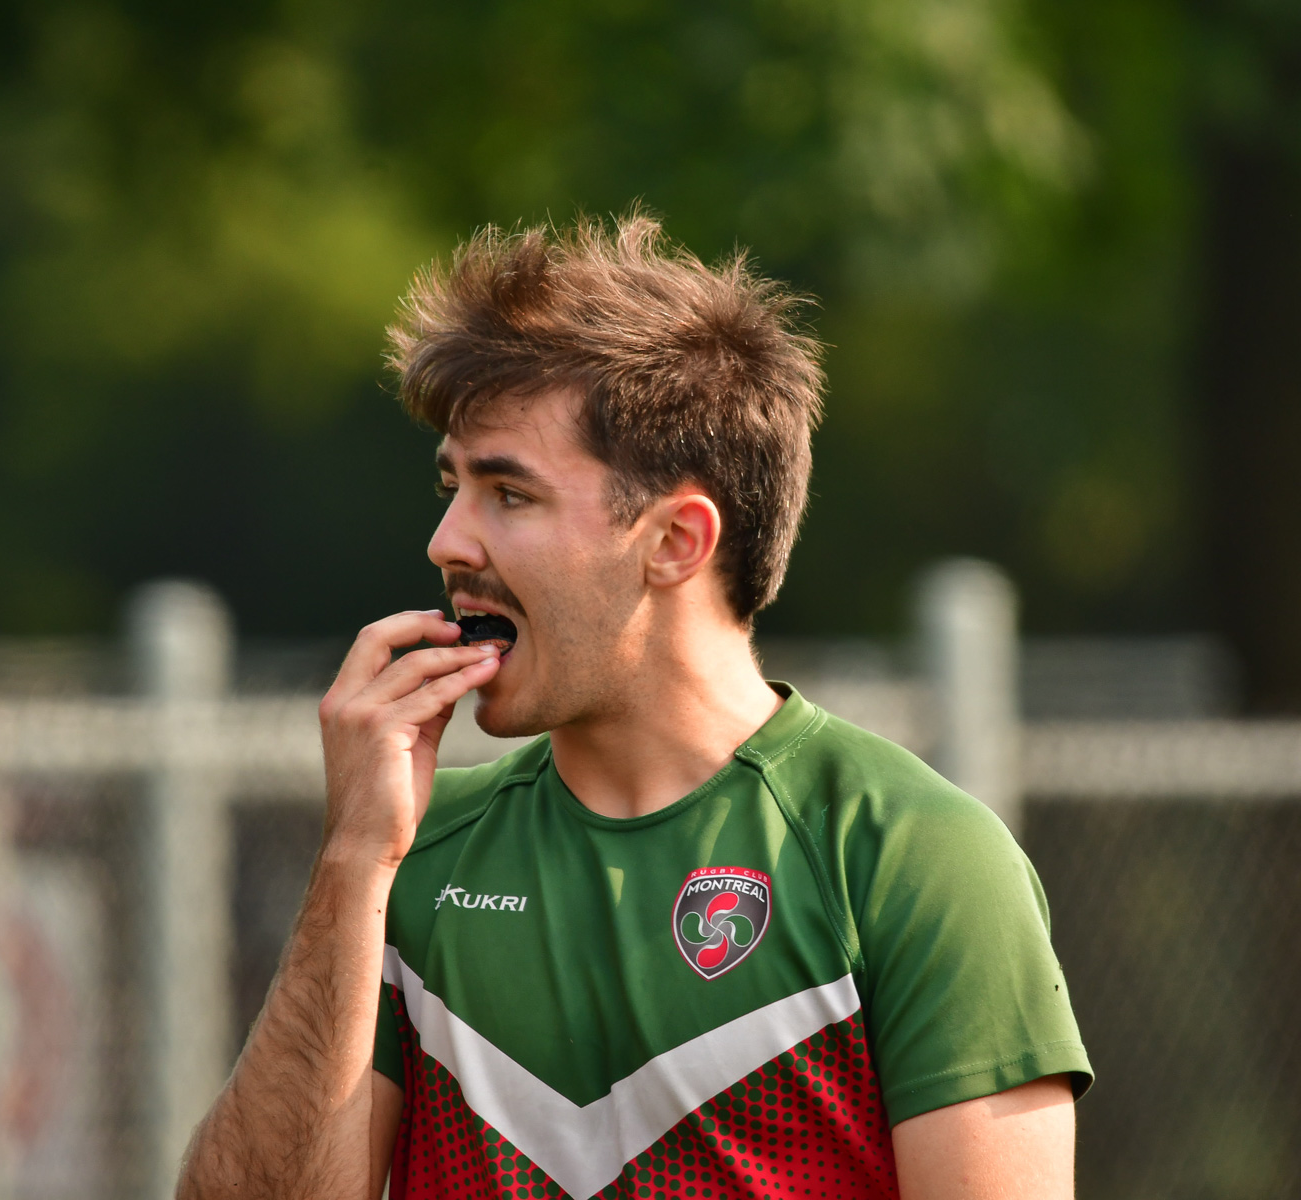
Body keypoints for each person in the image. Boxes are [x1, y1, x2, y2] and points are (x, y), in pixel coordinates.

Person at [177, 214, 1092, 1200]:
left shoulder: (909, 853)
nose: (447, 541)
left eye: (508, 495)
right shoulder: (415, 858)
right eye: (452, 488)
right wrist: (354, 863)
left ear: (674, 542)